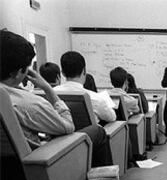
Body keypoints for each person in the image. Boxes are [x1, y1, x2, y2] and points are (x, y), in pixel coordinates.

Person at [0, 30, 112, 167]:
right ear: (18, 72)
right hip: (42, 165)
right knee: (98, 131)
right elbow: (67, 126)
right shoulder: (30, 103)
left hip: (10, 170)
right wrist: (48, 89)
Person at [55, 51, 116, 124]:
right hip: (88, 134)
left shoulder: (52, 93)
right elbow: (112, 117)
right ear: (84, 71)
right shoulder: (95, 98)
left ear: (62, 73)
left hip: (61, 134)